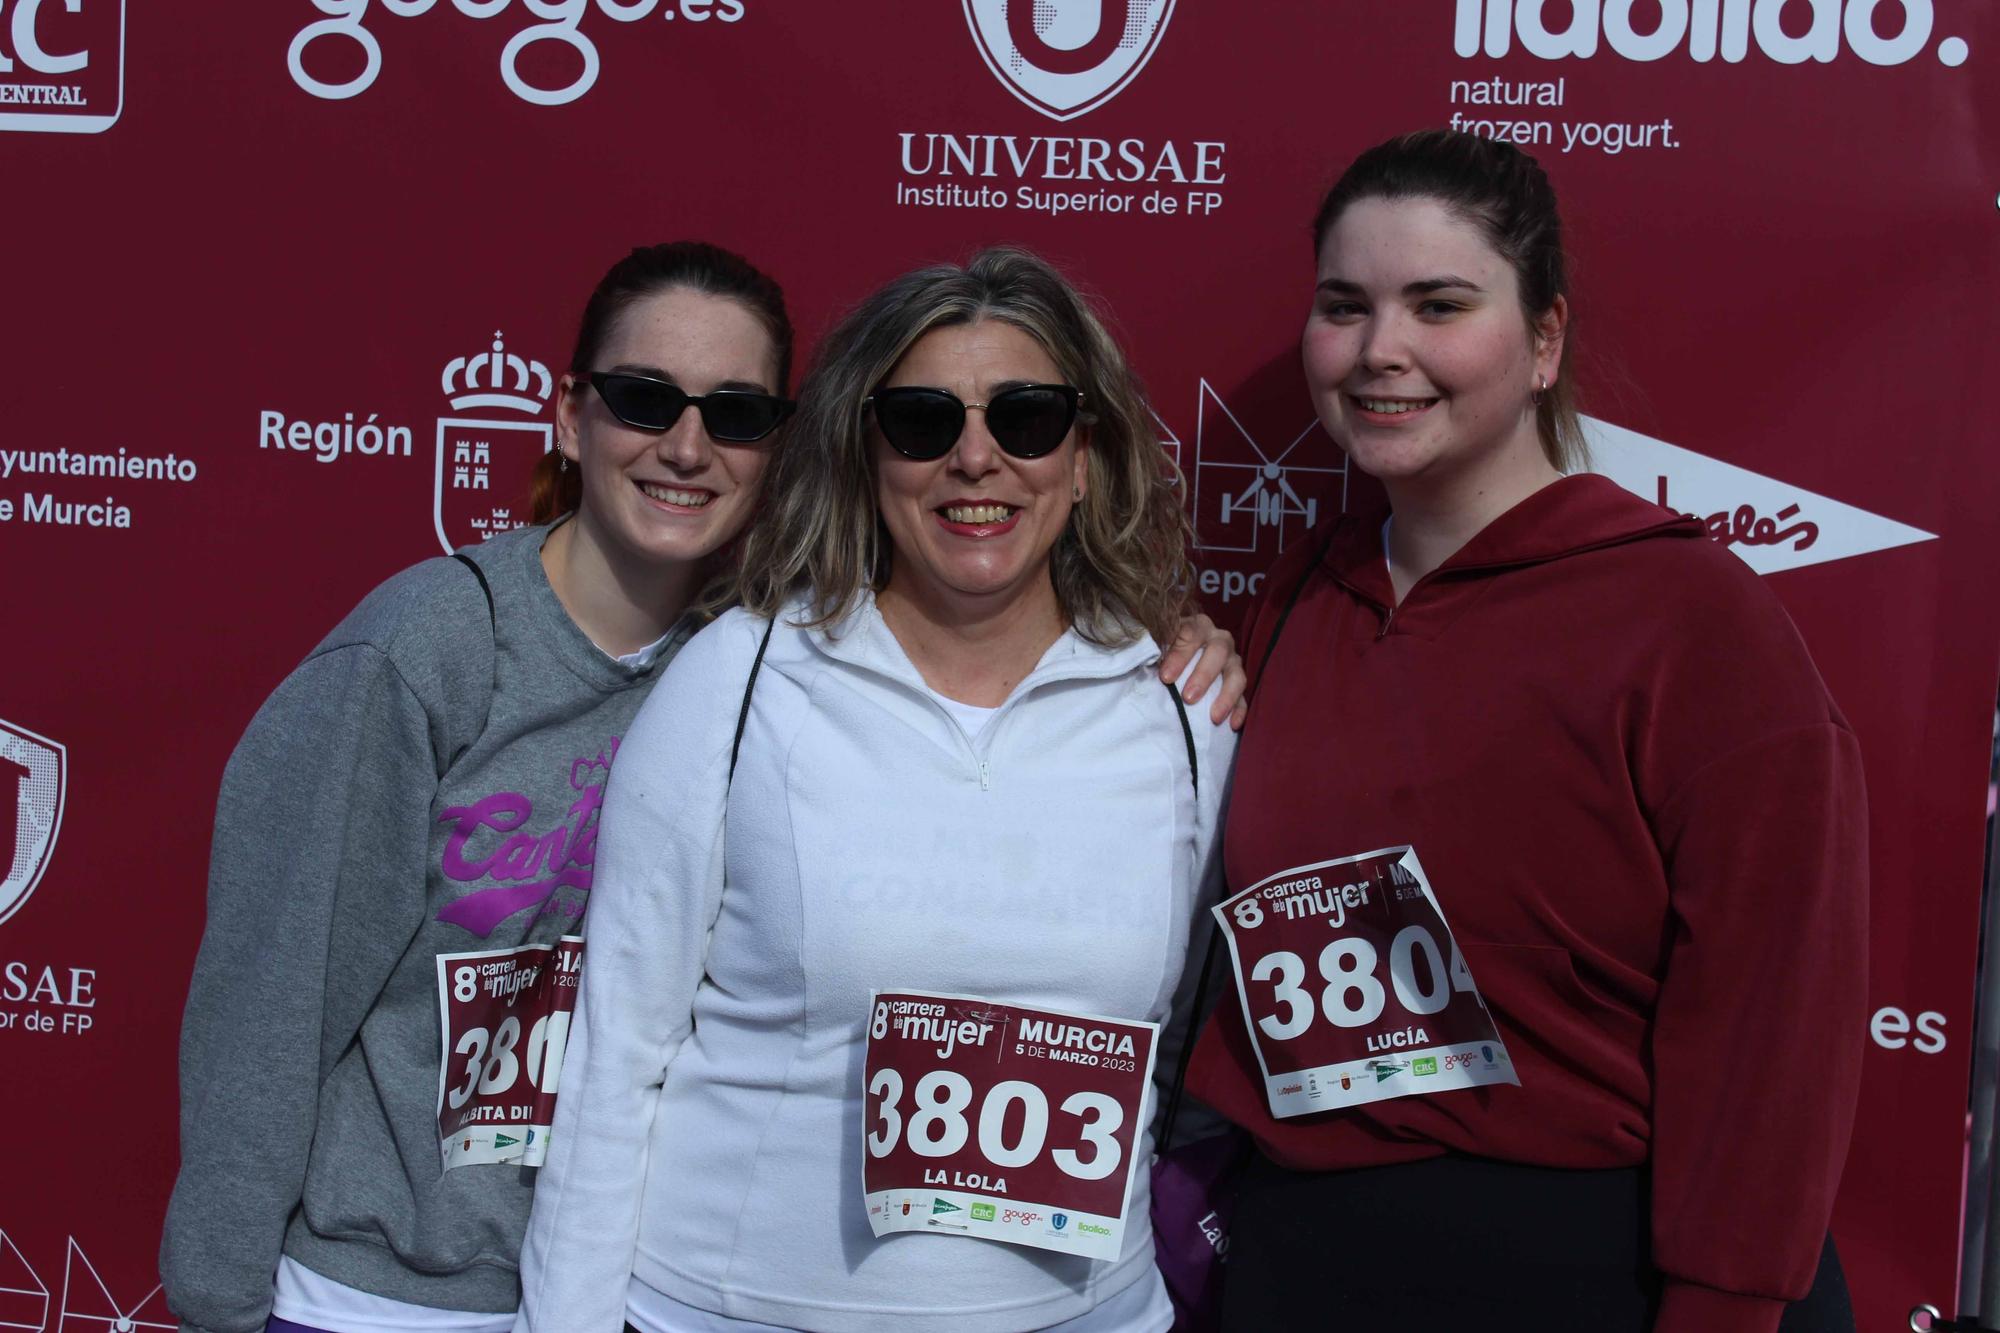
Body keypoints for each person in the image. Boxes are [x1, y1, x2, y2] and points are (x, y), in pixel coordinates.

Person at [161, 239, 1247, 1333]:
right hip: (396, 1286)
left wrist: (1164, 653)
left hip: (961, 1295)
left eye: (733, 415)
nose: (686, 446)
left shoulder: (774, 660)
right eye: (643, 400)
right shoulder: (488, 655)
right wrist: (217, 1294)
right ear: (569, 414)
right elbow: (275, 999)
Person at [1184, 129, 1867, 1333]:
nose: (1380, 349)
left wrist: (1720, 1309)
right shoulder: (1289, 601)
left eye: (1437, 304)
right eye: (1344, 306)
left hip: (1598, 1273)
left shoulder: (1692, 619)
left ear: (1543, 340)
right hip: (1310, 1265)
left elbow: (1774, 1026)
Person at [515, 246, 1238, 1333]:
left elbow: (1176, 1048)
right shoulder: (739, 682)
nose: (976, 459)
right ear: (865, 453)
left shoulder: (1185, 718)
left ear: (1083, 458)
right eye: (921, 421)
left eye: (1028, 419)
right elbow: (615, 1053)